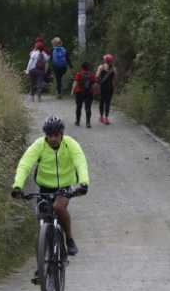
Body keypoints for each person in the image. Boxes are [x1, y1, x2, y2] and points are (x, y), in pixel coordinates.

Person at [11, 115, 89, 257]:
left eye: (56, 135)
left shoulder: (70, 144)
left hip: (64, 186)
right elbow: (25, 165)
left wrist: (83, 183)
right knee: (42, 218)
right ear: (45, 135)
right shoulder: (39, 145)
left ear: (61, 134)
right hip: (44, 186)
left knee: (58, 207)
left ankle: (69, 239)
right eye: (49, 135)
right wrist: (17, 186)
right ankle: (43, 260)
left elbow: (80, 162)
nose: (53, 138)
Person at [71, 62, 98, 128]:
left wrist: (72, 91)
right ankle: (88, 123)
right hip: (89, 92)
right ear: (88, 68)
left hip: (79, 92)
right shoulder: (92, 75)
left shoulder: (79, 74)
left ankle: (77, 122)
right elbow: (94, 85)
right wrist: (95, 92)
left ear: (82, 67)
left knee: (78, 107)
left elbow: (75, 83)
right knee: (88, 108)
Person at [95, 53, 117, 124]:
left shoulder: (101, 67)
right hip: (110, 87)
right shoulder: (114, 69)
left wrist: (97, 85)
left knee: (101, 101)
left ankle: (101, 117)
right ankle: (106, 118)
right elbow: (114, 79)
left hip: (102, 87)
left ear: (105, 60)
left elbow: (97, 76)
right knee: (108, 102)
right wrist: (113, 87)